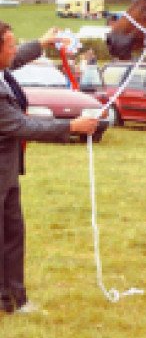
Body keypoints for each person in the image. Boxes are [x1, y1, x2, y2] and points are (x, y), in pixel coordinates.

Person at [0, 21, 99, 314]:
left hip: (6, 172)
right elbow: (20, 125)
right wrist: (72, 126)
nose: (15, 49)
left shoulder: (2, 69)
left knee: (13, 233)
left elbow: (16, 58)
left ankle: (13, 299)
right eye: (11, 44)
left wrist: (43, 42)